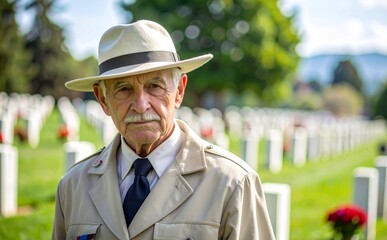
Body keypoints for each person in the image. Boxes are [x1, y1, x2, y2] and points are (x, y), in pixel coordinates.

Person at [52, 19, 275, 240]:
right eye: (124, 89)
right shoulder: (73, 186)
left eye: (154, 86)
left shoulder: (232, 183)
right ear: (103, 100)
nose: (141, 105)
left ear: (179, 91)